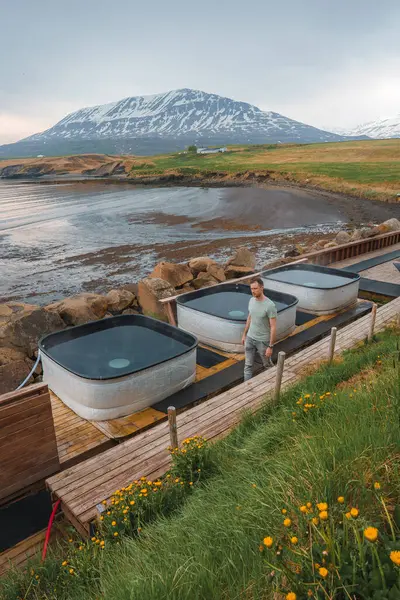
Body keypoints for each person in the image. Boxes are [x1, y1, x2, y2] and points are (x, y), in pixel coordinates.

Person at [241, 277, 277, 381]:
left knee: (267, 365)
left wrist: (270, 346)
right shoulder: (251, 300)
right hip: (250, 338)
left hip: (263, 341)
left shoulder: (270, 305)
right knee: (247, 366)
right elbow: (249, 317)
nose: (253, 291)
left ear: (262, 288)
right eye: (251, 288)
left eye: (255, 288)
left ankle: (274, 383)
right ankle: (245, 389)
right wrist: (244, 334)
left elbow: (273, 327)